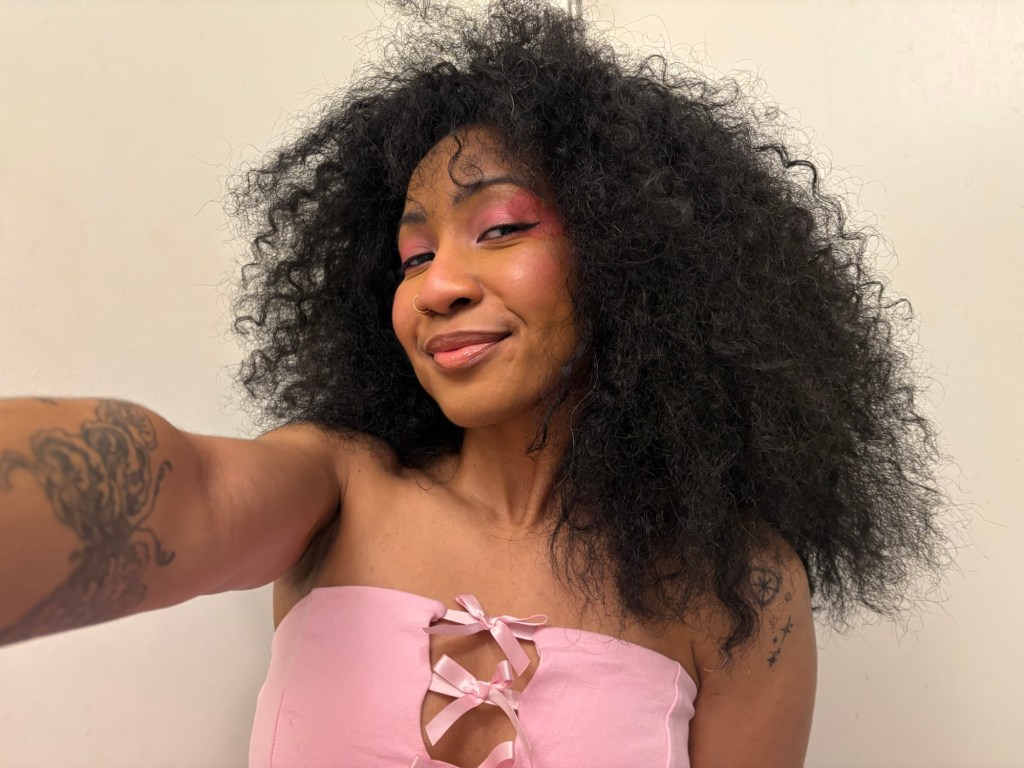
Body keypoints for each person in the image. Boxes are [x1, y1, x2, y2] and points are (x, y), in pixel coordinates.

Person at [0, 1, 953, 766]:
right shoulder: (338, 489)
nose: (436, 287)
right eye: (413, 255)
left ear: (634, 255)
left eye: (500, 229)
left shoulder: (740, 587)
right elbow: (188, 491)